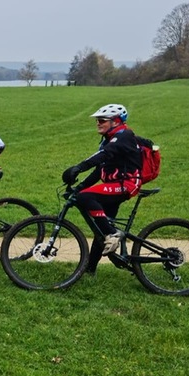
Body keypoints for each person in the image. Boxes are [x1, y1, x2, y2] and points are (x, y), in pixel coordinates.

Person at [61, 103, 142, 273]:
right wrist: (79, 186)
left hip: (127, 185)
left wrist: (79, 167)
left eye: (102, 120)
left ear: (116, 121)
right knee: (100, 228)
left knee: (85, 198)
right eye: (97, 120)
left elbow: (102, 155)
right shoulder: (109, 139)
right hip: (115, 185)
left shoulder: (124, 136)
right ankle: (90, 269)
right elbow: (100, 170)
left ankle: (113, 235)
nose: (98, 123)